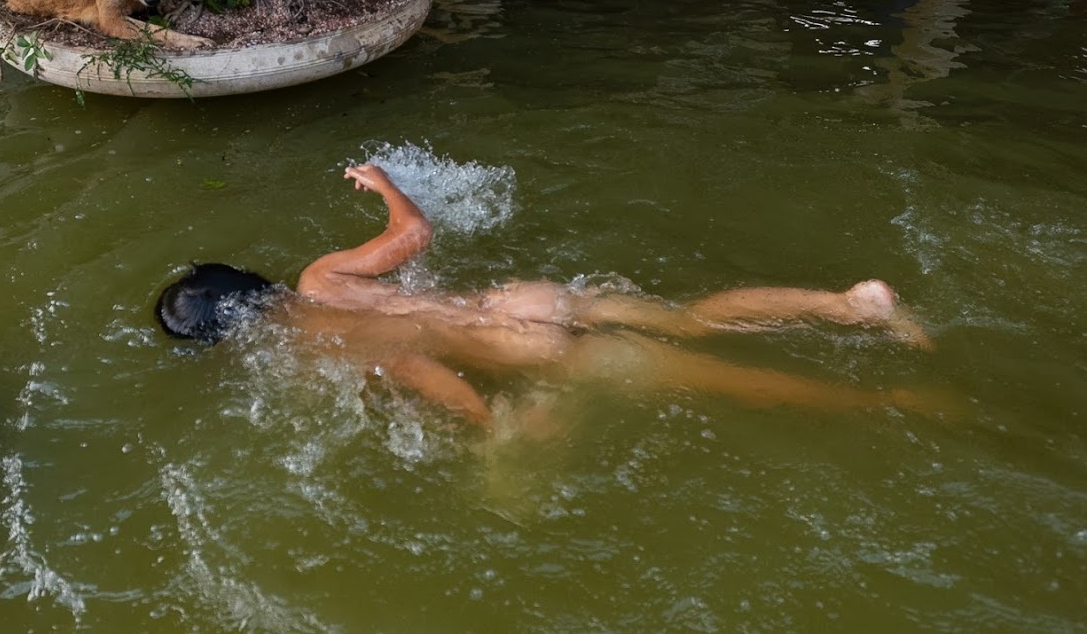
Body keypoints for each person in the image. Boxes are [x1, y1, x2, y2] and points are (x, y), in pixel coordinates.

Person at [156, 165, 936, 428]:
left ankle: (877, 405)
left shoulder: (301, 347)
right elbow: (416, 233)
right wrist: (382, 182)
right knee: (691, 319)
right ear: (249, 280)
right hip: (525, 302)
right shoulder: (321, 275)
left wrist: (484, 417)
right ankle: (848, 303)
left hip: (519, 349)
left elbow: (403, 360)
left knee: (715, 383)